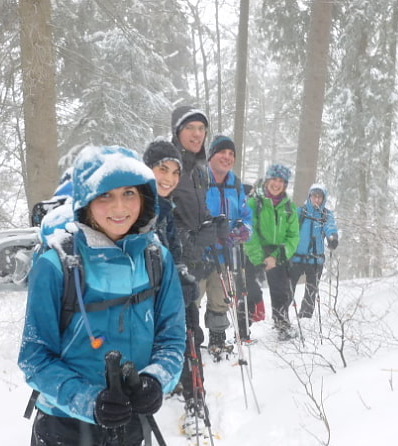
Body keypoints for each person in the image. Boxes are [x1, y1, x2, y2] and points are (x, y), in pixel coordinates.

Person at [19, 145, 186, 446]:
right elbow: (35, 358)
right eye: (105, 195)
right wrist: (89, 401)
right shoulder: (56, 264)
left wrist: (156, 379)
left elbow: (171, 340)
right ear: (85, 201)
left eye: (129, 194)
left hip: (132, 423)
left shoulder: (157, 259)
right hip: (64, 425)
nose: (119, 208)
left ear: (144, 196)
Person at [167, 105, 223, 427]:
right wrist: (189, 240)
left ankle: (185, 387)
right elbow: (164, 213)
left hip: (195, 260)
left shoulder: (200, 169)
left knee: (189, 327)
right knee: (185, 330)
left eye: (202, 128)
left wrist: (214, 226)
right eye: (190, 127)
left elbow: (198, 211)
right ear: (177, 131)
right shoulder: (169, 165)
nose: (197, 134)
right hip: (175, 261)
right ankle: (192, 400)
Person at [203, 135, 253, 351]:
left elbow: (246, 215)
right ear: (211, 156)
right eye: (222, 152)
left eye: (231, 154)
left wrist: (244, 230)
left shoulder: (236, 184)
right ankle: (189, 344)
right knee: (191, 300)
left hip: (224, 254)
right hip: (198, 253)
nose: (227, 157)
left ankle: (217, 340)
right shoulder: (198, 179)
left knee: (220, 299)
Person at [244, 164, 300, 341]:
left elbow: (293, 236)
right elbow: (248, 231)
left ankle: (282, 324)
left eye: (281, 181)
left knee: (282, 292)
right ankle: (242, 329)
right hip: (256, 251)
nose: (277, 184)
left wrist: (276, 257)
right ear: (267, 180)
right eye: (274, 179)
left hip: (278, 252)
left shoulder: (289, 207)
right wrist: (260, 258)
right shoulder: (254, 202)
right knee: (247, 291)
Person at [289, 184, 339, 319]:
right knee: (287, 290)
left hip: (316, 260)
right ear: (309, 196)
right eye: (314, 196)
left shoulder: (326, 215)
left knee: (311, 291)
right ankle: (281, 317)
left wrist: (332, 237)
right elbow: (289, 227)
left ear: (323, 199)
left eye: (319, 197)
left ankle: (305, 317)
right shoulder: (300, 212)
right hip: (296, 258)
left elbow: (330, 227)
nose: (316, 200)